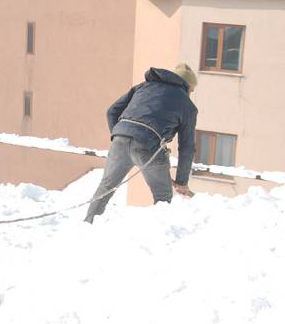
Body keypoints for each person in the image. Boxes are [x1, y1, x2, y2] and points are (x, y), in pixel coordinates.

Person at [84, 63, 199, 223]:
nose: (191, 93)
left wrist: (120, 134)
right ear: (186, 85)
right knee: (163, 196)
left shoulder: (144, 87)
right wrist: (181, 181)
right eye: (192, 89)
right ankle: (159, 233)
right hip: (149, 146)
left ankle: (87, 225)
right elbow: (187, 147)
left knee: (106, 187)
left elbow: (112, 111)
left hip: (120, 139)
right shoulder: (187, 105)